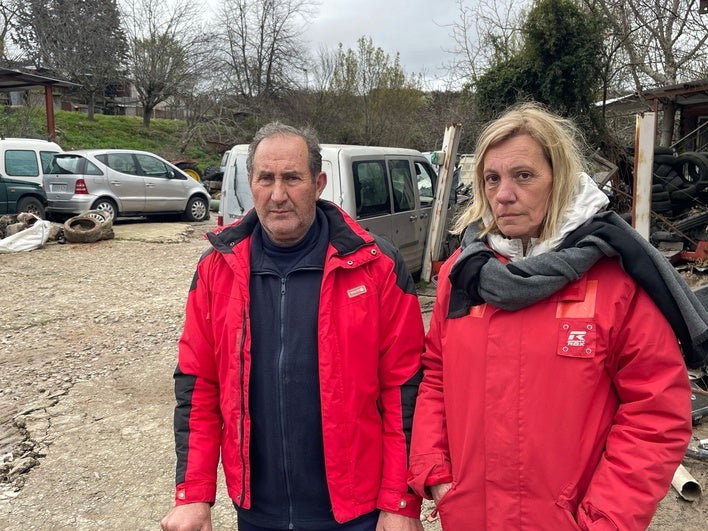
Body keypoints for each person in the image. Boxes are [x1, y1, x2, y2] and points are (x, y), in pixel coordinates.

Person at [408, 103, 703, 530]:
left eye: (523, 175)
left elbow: (656, 413)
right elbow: (436, 374)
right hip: (470, 515)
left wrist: (604, 519)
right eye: (492, 178)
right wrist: (435, 468)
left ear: (559, 178)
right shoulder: (464, 274)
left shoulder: (615, 281)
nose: (504, 194)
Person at [161, 122, 424, 531]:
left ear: (318, 183)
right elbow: (198, 384)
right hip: (257, 513)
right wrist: (193, 493)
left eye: (292, 178)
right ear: (251, 182)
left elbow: (404, 388)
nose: (278, 194)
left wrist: (400, 502)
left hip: (356, 513)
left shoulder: (377, 266)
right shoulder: (217, 269)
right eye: (265, 178)